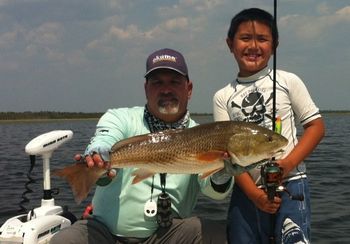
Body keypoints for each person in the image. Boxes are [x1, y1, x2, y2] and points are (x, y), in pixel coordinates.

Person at [51, 48, 234, 244]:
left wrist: (224, 172)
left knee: (218, 235)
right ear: (146, 88)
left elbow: (213, 191)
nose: (166, 89)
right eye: (157, 82)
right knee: (65, 240)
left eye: (174, 82)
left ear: (189, 89)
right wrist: (97, 156)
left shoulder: (204, 135)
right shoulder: (120, 117)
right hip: (105, 233)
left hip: (167, 235)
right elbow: (104, 139)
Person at [213, 8, 325, 244]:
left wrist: (287, 165)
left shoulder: (288, 81)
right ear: (229, 43)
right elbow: (227, 155)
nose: (253, 46)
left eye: (262, 39)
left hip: (292, 183)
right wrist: (254, 195)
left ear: (275, 45)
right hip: (246, 189)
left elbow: (316, 126)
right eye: (245, 38)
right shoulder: (222, 97)